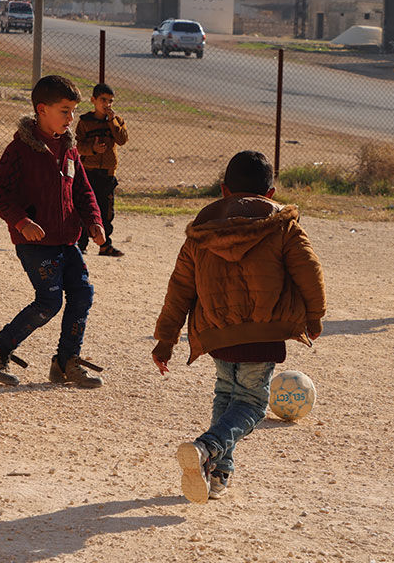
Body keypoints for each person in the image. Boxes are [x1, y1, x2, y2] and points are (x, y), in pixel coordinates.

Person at [151, 150, 326, 503]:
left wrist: (166, 340)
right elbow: (309, 271)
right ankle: (208, 446)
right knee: (252, 404)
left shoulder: (201, 233)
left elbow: (180, 288)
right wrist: (315, 316)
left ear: (224, 190)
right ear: (271, 194)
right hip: (263, 332)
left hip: (217, 333)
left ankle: (217, 474)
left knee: (226, 395)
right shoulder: (283, 226)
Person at [0, 75, 107, 388]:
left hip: (67, 240)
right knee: (49, 301)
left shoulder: (69, 147)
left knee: (82, 293)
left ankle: (66, 362)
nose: (71, 118)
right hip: (35, 243)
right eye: (65, 111)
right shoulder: (20, 149)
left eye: (73, 111)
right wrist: (21, 222)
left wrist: (94, 221)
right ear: (41, 109)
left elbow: (82, 190)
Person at [75, 82, 129, 256]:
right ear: (93, 100)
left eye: (110, 101)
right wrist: (93, 149)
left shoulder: (117, 121)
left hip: (107, 173)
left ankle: (105, 246)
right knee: (84, 208)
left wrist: (112, 121)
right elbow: (79, 146)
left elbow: (122, 140)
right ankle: (80, 244)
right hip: (88, 172)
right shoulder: (85, 122)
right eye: (103, 100)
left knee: (106, 212)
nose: (107, 104)